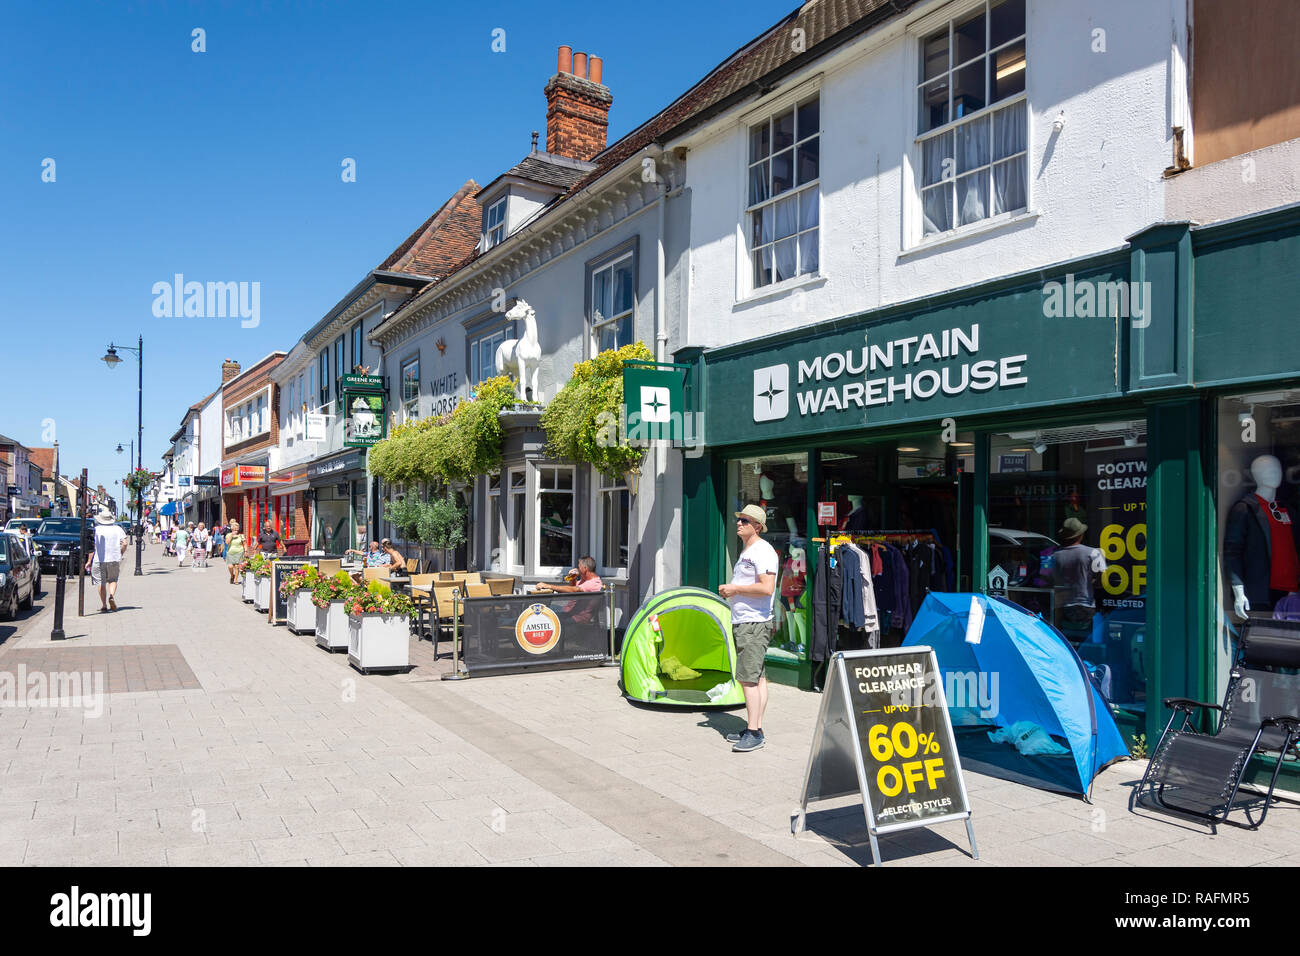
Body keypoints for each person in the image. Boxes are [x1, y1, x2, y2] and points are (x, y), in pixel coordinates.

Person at [718, 504, 778, 753]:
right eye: (739, 519)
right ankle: (756, 727)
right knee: (758, 677)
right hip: (748, 621)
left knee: (747, 680)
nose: (739, 523)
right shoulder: (750, 550)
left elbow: (767, 588)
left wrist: (734, 589)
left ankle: (753, 732)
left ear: (757, 526)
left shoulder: (762, 551)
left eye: (745, 520)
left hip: (753, 623)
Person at [1052, 517, 1107, 639]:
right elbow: (1102, 580)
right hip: (1085, 605)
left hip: (1061, 606)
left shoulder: (1054, 556)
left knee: (1064, 642)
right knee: (1085, 641)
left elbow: (1046, 580)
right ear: (1080, 535)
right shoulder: (1092, 553)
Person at [84, 507, 127, 612]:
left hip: (99, 559)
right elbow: (125, 543)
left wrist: (89, 561)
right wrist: (121, 552)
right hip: (114, 559)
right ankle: (111, 596)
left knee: (100, 582)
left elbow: (93, 548)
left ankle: (104, 605)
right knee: (113, 580)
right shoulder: (118, 529)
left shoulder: (96, 530)